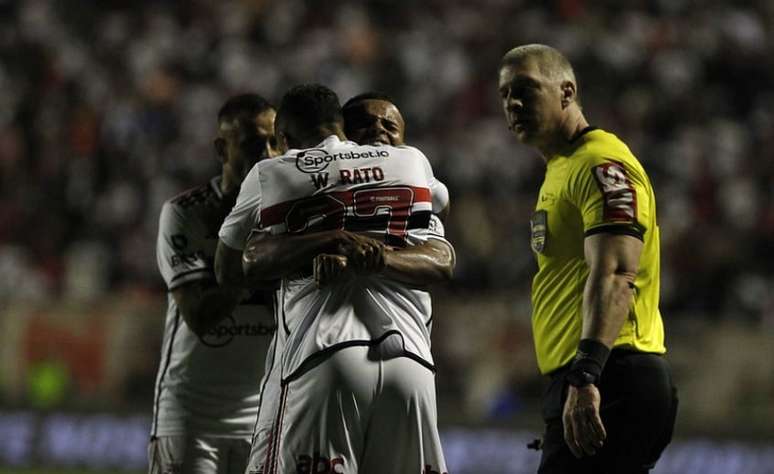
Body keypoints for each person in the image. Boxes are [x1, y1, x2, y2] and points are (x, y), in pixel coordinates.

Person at [218, 84, 453, 474]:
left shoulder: (273, 172)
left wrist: (326, 237)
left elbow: (233, 267)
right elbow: (441, 230)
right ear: (341, 126)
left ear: (284, 139)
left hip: (324, 353)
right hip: (412, 365)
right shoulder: (411, 161)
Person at [497, 44, 678, 473]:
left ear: (566, 91)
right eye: (505, 94)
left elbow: (617, 273)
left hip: (611, 373)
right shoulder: (562, 168)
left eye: (525, 89)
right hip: (593, 377)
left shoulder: (601, 164)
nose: (513, 103)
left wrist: (585, 378)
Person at [149, 94, 279, 474]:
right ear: (222, 148)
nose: (268, 155)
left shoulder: (292, 218)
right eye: (254, 143)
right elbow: (200, 315)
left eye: (276, 143)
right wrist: (261, 258)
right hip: (191, 421)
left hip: (264, 421)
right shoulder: (186, 214)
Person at [342, 92, 450, 221]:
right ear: (341, 133)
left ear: (403, 141)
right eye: (364, 123)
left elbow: (441, 206)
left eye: (389, 126)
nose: (378, 128)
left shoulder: (414, 163)